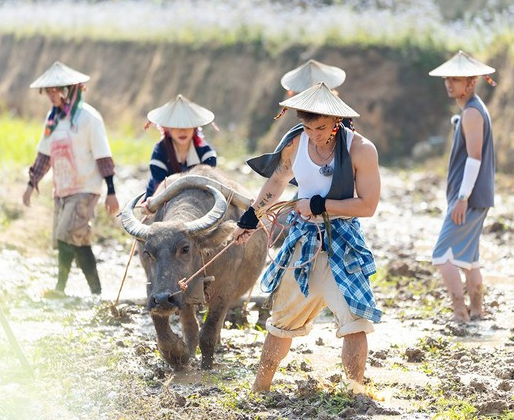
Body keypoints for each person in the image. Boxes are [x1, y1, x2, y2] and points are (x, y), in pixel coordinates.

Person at [233, 83, 382, 392]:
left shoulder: (361, 149)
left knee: (354, 321)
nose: (315, 134)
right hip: (303, 243)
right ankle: (259, 389)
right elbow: (276, 182)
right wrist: (250, 219)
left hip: (342, 243)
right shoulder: (295, 143)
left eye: (322, 128)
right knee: (281, 321)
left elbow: (368, 205)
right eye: (308, 126)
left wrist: (319, 205)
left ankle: (356, 392)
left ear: (336, 122)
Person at [22, 61, 119, 297]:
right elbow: (45, 154)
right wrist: (31, 184)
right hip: (63, 188)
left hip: (86, 187)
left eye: (57, 90)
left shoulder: (89, 119)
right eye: (49, 91)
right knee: (79, 241)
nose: (52, 96)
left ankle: (60, 289)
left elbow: (103, 155)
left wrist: (111, 191)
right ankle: (97, 292)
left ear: (70, 90)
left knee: (65, 234)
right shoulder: (53, 120)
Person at [428, 51, 497, 322]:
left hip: (469, 197)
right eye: (447, 78)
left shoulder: (471, 113)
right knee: (469, 259)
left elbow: (474, 157)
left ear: (471, 83)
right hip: (479, 196)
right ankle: (477, 311)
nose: (449, 83)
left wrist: (462, 197)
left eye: (456, 79)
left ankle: (460, 311)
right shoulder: (471, 111)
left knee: (441, 256)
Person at [142, 94, 217, 202]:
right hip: (161, 199)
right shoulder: (160, 152)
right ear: (167, 128)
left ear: (195, 127)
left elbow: (209, 186)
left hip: (198, 200)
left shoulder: (206, 153)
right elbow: (159, 188)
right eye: (176, 126)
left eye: (187, 126)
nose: (182, 131)